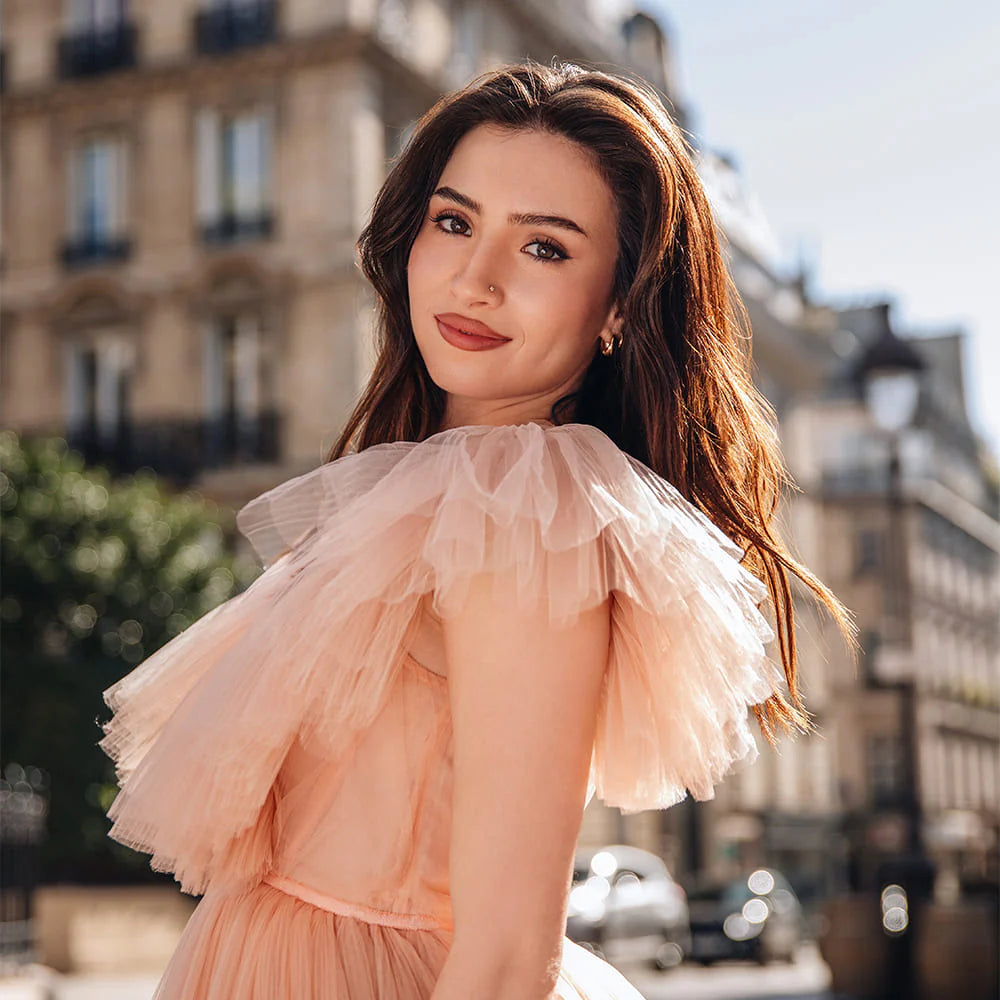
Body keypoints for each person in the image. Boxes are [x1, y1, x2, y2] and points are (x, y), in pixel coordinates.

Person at [99, 61, 857, 999]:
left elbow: (505, 955)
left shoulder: (527, 517)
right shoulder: (418, 489)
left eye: (545, 248)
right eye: (453, 223)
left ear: (620, 303)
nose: (475, 277)